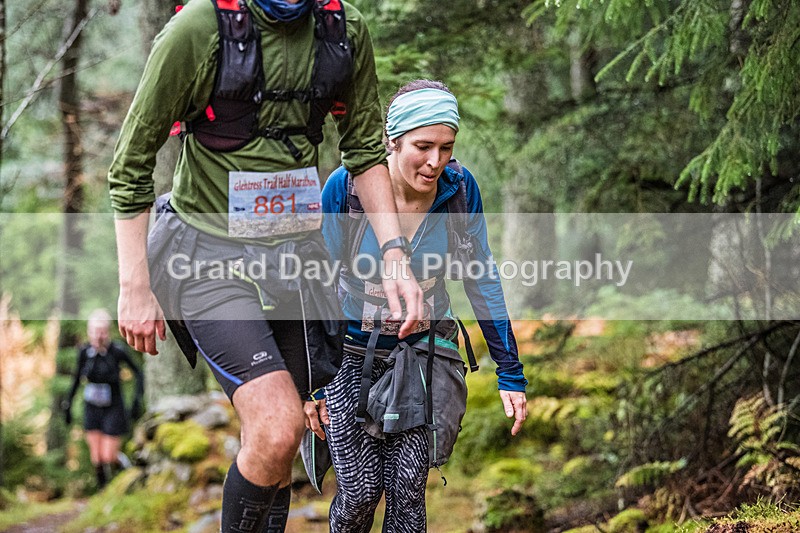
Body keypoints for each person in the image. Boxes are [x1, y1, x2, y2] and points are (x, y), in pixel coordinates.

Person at [108, 0, 423, 531]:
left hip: (294, 265)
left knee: (282, 438)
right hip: (206, 256)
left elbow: (366, 150)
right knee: (277, 426)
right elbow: (130, 164)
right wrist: (134, 284)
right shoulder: (198, 29)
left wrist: (396, 256)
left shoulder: (342, 32)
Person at [312, 79, 529, 532]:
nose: (436, 162)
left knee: (408, 494)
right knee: (358, 495)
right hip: (349, 358)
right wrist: (306, 385)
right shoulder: (346, 189)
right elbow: (314, 286)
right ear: (392, 140)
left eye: (447, 147)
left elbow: (481, 278)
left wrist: (509, 369)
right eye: (423, 146)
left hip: (424, 354)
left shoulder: (459, 190)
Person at [63, 309, 143, 490]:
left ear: (108, 332)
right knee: (97, 458)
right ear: (89, 332)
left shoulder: (117, 352)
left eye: (102, 331)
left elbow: (139, 373)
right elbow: (76, 378)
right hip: (92, 406)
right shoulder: (84, 352)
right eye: (95, 331)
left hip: (113, 406)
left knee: (108, 456)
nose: (99, 336)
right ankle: (103, 492)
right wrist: (67, 405)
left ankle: (127, 471)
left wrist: (136, 399)